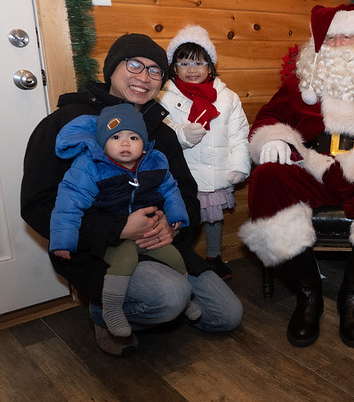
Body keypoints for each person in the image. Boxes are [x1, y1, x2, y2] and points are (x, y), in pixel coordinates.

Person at [21, 33, 243, 357]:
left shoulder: (159, 132)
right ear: (111, 68)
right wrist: (116, 228)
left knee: (227, 315)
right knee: (170, 296)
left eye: (155, 71)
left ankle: (154, 307)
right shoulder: (65, 124)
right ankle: (105, 312)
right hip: (99, 251)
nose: (144, 77)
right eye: (135, 64)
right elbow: (37, 205)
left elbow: (186, 192)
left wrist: (173, 224)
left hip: (162, 245)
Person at [239, 4, 354, 348]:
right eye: (331, 38)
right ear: (317, 45)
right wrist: (274, 138)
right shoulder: (299, 84)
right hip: (313, 165)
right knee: (267, 177)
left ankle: (352, 295)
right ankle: (307, 294)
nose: (339, 45)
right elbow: (268, 117)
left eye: (348, 36)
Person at [49, 103, 201, 337]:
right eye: (116, 136)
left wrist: (176, 217)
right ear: (102, 142)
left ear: (143, 145)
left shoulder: (155, 161)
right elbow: (68, 205)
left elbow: (171, 190)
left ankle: (186, 301)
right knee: (126, 258)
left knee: (174, 256)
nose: (125, 143)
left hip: (147, 232)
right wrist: (63, 241)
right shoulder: (90, 167)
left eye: (133, 137)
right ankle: (110, 309)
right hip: (112, 236)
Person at [158, 25, 251, 280]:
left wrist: (241, 165)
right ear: (174, 67)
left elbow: (239, 134)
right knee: (185, 217)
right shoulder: (164, 96)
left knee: (213, 218)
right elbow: (161, 131)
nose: (192, 70)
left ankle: (214, 257)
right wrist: (183, 135)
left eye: (199, 63)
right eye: (184, 63)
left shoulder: (227, 97)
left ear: (210, 67)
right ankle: (183, 258)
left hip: (216, 170)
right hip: (183, 173)